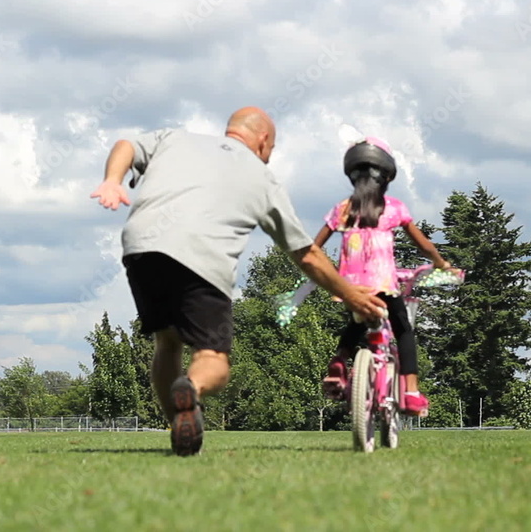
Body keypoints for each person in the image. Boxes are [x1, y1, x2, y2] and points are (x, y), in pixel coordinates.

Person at [90, 107, 386, 456]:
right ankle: (192, 388)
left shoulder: (174, 138)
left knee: (167, 341)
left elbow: (126, 144)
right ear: (263, 140)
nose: (269, 157)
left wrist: (112, 180)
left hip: (140, 247)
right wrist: (350, 294)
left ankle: (181, 430)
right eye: (271, 149)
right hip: (200, 255)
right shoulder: (263, 179)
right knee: (212, 356)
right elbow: (306, 254)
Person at [313, 136, 456, 416]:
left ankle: (339, 362)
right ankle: (411, 392)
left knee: (357, 322)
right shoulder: (393, 208)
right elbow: (423, 245)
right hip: (383, 284)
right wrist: (441, 263)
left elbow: (314, 248)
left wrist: (326, 275)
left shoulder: (342, 209)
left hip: (349, 287)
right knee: (403, 329)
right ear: (387, 176)